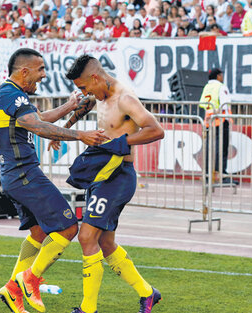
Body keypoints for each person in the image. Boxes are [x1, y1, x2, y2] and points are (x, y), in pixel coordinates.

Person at [0, 48, 109, 313]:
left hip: (15, 175)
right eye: (40, 70)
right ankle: (24, 283)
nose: (43, 76)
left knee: (39, 232)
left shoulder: (11, 94)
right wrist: (80, 134)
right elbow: (37, 126)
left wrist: (69, 107)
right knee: (68, 227)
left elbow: (38, 119)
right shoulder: (12, 94)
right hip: (24, 174)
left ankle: (13, 290)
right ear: (25, 72)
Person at [49, 54, 165, 313]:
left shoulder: (125, 98)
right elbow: (87, 105)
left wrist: (119, 143)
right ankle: (148, 293)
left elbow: (156, 130)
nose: (83, 93)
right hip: (103, 175)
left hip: (118, 176)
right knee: (105, 243)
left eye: (84, 87)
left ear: (95, 77)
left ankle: (87, 309)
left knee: (87, 236)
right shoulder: (99, 93)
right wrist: (65, 129)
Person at [199, 68, 238, 185]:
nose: (222, 77)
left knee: (208, 148)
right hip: (221, 120)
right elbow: (225, 103)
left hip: (208, 121)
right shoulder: (221, 87)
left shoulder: (207, 87)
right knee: (221, 149)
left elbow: (201, 103)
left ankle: (207, 174)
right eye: (221, 75)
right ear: (218, 76)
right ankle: (221, 174)